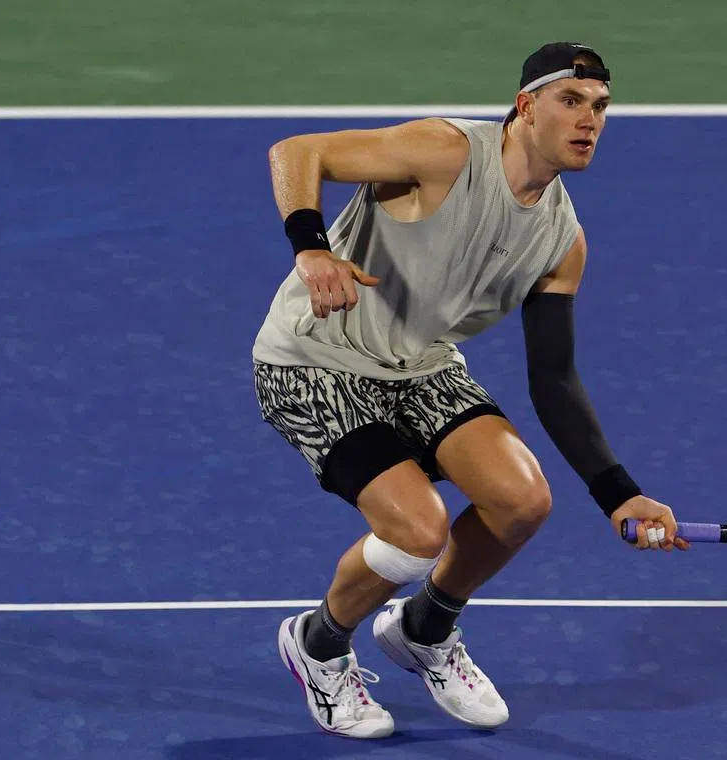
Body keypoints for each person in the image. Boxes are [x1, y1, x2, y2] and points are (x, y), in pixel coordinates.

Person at [252, 41, 690, 739]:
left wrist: (618, 491)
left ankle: (425, 628)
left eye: (601, 107)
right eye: (570, 101)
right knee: (417, 530)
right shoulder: (445, 152)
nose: (589, 120)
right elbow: (297, 152)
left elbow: (553, 378)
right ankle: (319, 644)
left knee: (522, 501)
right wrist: (311, 249)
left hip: (421, 367)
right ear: (527, 106)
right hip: (313, 361)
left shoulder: (561, 242)